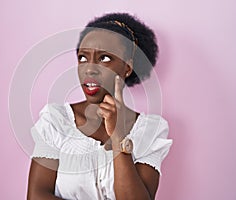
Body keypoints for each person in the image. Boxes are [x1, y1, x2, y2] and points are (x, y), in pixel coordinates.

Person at [27, 13, 172, 200]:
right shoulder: (55, 120)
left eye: (104, 58)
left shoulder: (151, 130)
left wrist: (119, 137)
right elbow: (36, 196)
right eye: (82, 58)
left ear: (127, 68)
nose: (89, 68)